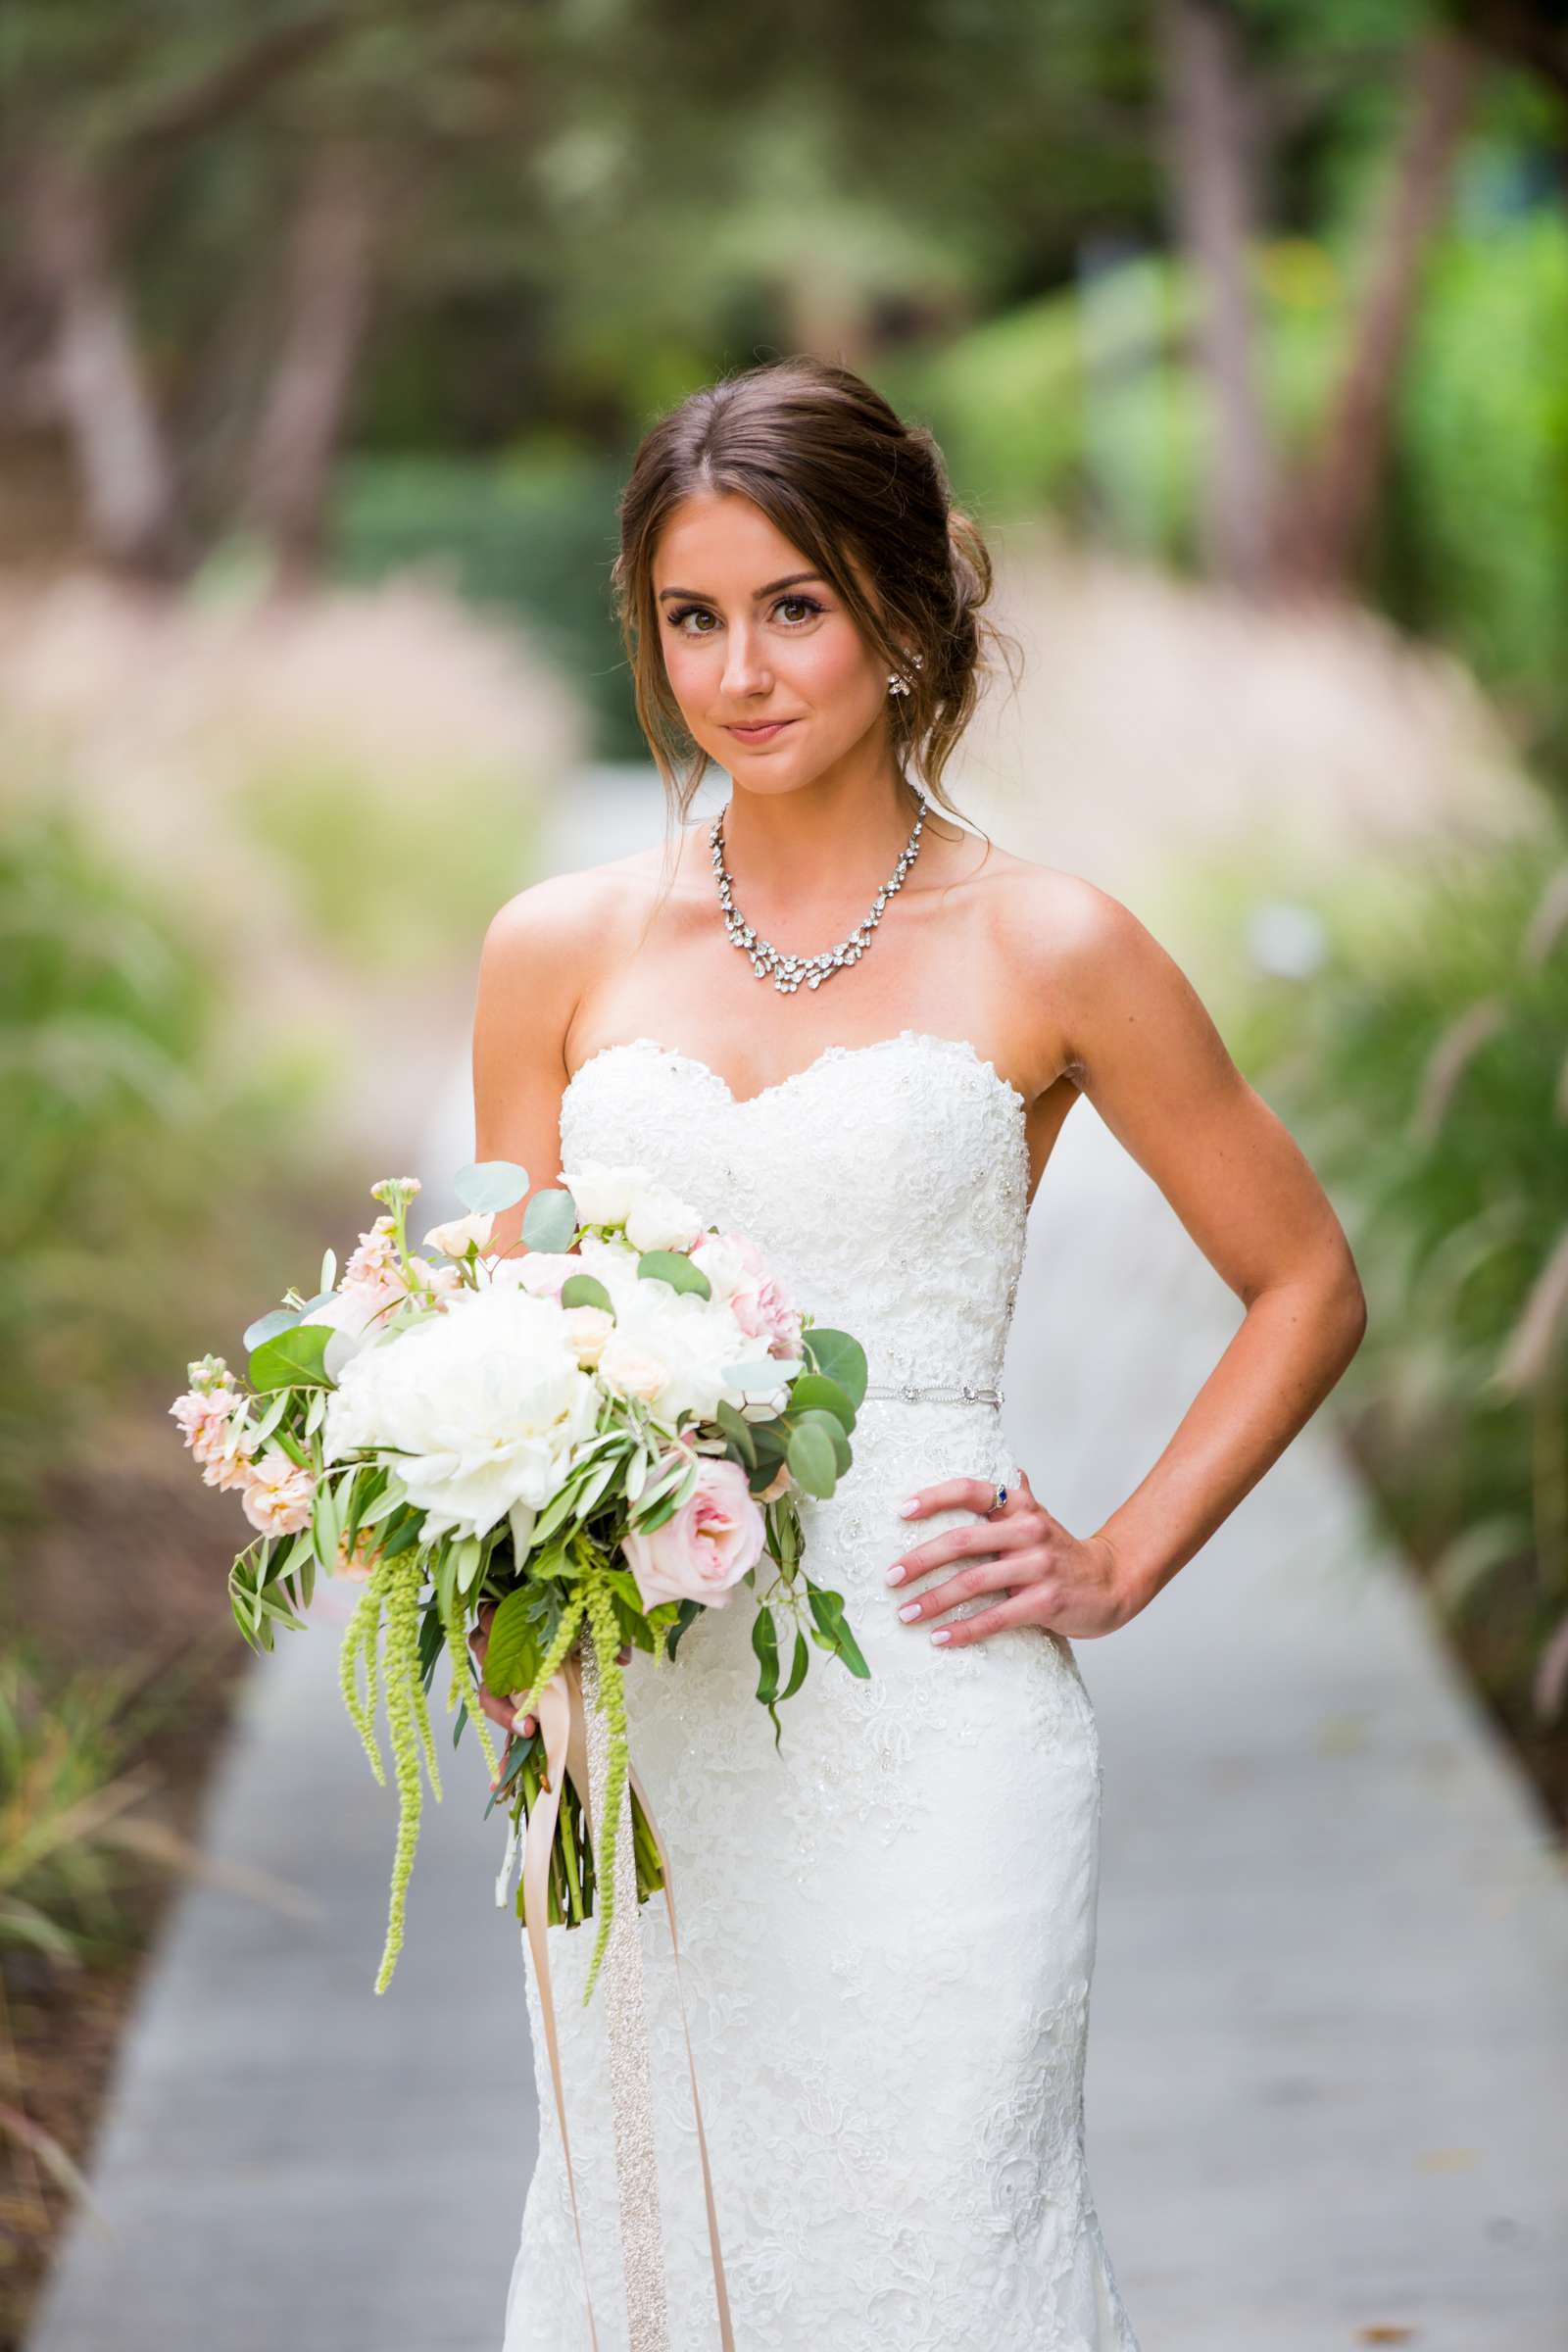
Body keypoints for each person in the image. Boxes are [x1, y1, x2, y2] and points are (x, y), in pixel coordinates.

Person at [468, 355, 1367, 2350]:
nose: (739, 671)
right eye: (689, 617)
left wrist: (1116, 1559)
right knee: (645, 2259)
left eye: (790, 605)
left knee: (945, 2252)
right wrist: (492, 1616)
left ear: (904, 607)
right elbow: (501, 1336)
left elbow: (1303, 1278)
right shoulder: (557, 947)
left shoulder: (1051, 943)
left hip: (935, 1701)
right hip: (638, 1725)